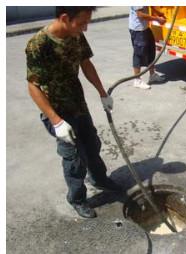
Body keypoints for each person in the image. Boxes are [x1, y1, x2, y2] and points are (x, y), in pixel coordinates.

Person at [26, 6, 122, 218]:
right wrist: (56, 121)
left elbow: (85, 63)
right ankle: (77, 198)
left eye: (88, 22)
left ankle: (99, 179)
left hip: (78, 105)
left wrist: (102, 92)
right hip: (58, 111)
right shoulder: (39, 44)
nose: (85, 28)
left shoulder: (76, 35)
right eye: (81, 23)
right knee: (75, 158)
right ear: (64, 18)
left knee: (92, 145)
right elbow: (33, 86)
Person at [129, 6, 167, 89]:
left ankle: (152, 75)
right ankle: (137, 80)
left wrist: (160, 13)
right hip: (138, 30)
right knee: (139, 54)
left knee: (151, 50)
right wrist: (157, 19)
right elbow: (140, 15)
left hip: (145, 28)